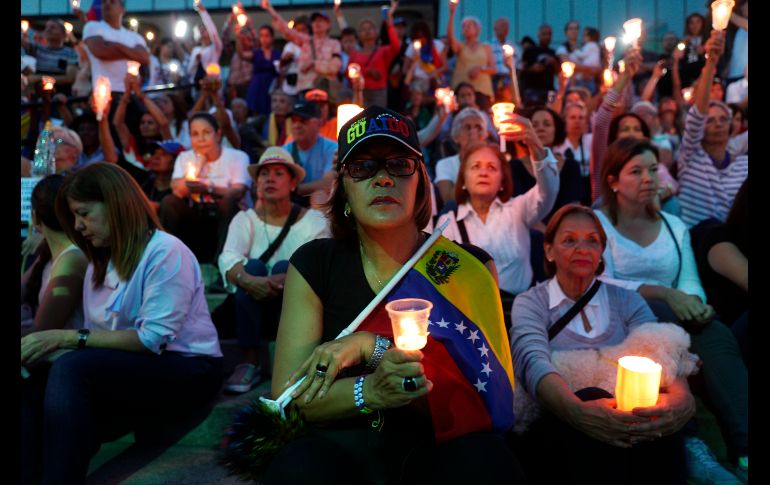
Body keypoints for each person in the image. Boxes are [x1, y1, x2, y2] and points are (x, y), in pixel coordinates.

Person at [262, 105, 523, 484]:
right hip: (342, 450)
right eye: (364, 167)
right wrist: (369, 389)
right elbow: (291, 397)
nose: (383, 179)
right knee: (298, 468)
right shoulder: (315, 263)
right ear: (344, 190)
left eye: (399, 165)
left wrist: (372, 345)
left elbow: (490, 394)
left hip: (440, 446)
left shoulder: (471, 268)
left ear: (420, 183)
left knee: (488, 463)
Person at [21, 163, 223, 485]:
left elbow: (150, 340)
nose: (78, 226)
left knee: (72, 368)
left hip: (190, 366)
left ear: (114, 203)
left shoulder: (166, 251)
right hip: (134, 366)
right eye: (74, 217)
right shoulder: (98, 263)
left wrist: (64, 338)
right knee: (32, 381)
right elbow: (102, 341)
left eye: (84, 213)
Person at [595, 137, 748, 483]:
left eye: (652, 169)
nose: (649, 178)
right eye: (636, 171)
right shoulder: (598, 225)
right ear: (613, 181)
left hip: (677, 315)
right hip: (622, 318)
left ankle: (744, 448)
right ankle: (690, 443)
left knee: (718, 335)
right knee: (660, 328)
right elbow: (602, 280)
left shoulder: (672, 224)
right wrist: (664, 293)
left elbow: (689, 278)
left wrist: (692, 302)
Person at [510, 204, 694, 484]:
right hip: (559, 427)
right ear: (548, 250)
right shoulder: (531, 303)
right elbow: (531, 359)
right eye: (570, 240)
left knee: (655, 414)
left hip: (632, 422)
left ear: (601, 253)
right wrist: (577, 411)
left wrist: (681, 402)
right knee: (592, 394)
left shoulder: (628, 301)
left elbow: (663, 348)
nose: (582, 248)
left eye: (592, 240)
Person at [219, 147, 330, 394]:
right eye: (264, 174)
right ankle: (249, 359)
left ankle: (291, 357)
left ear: (292, 184)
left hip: (297, 312)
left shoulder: (314, 221)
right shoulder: (244, 219)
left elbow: (321, 265)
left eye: (279, 173)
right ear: (257, 183)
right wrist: (248, 279)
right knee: (254, 267)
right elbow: (228, 257)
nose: (270, 179)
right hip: (252, 305)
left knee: (286, 266)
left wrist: (286, 278)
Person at [437, 117, 559, 324]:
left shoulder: (518, 209)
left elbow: (548, 192)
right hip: (470, 319)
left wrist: (536, 148)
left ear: (503, 182)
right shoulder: (447, 222)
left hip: (520, 317)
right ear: (463, 180)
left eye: (492, 168)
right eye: (475, 166)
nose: (484, 171)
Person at [677, 29, 748, 228]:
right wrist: (710, 63)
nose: (717, 124)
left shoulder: (744, 165)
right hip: (698, 241)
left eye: (722, 119)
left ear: (731, 126)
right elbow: (697, 114)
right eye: (710, 120)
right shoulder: (689, 157)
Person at [160, 112, 251, 263]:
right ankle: (172, 260)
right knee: (169, 202)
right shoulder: (185, 157)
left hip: (226, 216)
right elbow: (177, 190)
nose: (201, 139)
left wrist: (208, 189)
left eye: (206, 133)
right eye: (195, 134)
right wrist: (199, 163)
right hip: (197, 215)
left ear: (218, 134)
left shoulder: (237, 156)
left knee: (228, 201)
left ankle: (222, 262)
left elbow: (238, 190)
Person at [21, 175, 88, 336]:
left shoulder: (72, 258)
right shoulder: (50, 250)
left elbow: (41, 334)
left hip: (61, 356)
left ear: (35, 216)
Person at [512, 107, 583, 224]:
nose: (540, 128)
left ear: (556, 130)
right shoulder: (514, 167)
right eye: (534, 125)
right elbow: (514, 208)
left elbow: (574, 207)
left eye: (547, 124)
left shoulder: (571, 166)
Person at [263, 1, 342, 102]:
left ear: (328, 24)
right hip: (305, 90)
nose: (317, 24)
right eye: (314, 21)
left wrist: (313, 64)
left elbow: (335, 67)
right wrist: (270, 9)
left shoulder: (334, 44)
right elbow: (286, 30)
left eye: (320, 20)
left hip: (327, 91)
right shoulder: (306, 41)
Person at [82, 0, 150, 95]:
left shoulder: (135, 37)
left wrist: (116, 45)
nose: (107, 4)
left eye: (112, 1)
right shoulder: (92, 26)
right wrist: (132, 53)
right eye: (104, 2)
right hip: (104, 95)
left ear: (122, 9)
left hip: (132, 93)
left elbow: (144, 58)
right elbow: (100, 52)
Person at [345, 0, 402, 108]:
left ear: (376, 32)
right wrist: (367, 71)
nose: (367, 31)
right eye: (363, 29)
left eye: (370, 28)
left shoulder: (383, 51)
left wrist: (390, 26)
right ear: (359, 35)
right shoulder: (354, 54)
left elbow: (396, 47)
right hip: (359, 91)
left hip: (378, 92)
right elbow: (348, 74)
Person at [282, 100, 338, 204]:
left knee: (319, 196)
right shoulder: (284, 151)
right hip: (290, 205)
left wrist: (293, 189)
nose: (297, 125)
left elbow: (328, 184)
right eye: (294, 121)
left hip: (321, 206)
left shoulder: (331, 148)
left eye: (303, 120)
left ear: (318, 123)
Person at [433, 106, 490, 205]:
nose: (473, 133)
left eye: (478, 127)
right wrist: (470, 158)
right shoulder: (445, 165)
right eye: (467, 127)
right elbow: (449, 200)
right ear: (456, 137)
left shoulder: (493, 163)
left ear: (484, 135)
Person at [446, 2, 495, 109]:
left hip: (482, 89)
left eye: (469, 25)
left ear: (477, 29)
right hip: (462, 89)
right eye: (463, 26)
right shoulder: (460, 46)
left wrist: (480, 69)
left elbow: (493, 68)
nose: (466, 28)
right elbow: (450, 38)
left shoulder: (486, 47)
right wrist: (452, 13)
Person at [21, 19, 79, 93]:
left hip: (62, 96)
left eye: (52, 27)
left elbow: (69, 78)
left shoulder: (70, 52)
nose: (48, 30)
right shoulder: (37, 49)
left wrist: (40, 78)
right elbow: (23, 43)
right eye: (47, 27)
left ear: (63, 33)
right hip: (39, 97)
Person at [239, 24, 280, 115]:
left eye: (267, 35)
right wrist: (238, 37)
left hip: (272, 87)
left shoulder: (278, 54)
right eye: (261, 36)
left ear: (272, 37)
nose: (264, 39)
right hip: (257, 88)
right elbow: (241, 54)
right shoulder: (256, 53)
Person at [520, 24, 558, 106]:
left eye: (549, 34)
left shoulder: (553, 53)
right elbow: (521, 71)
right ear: (539, 35)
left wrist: (554, 63)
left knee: (550, 112)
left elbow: (560, 73)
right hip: (532, 90)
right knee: (532, 112)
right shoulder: (530, 51)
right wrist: (533, 68)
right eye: (544, 34)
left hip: (549, 90)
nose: (547, 37)